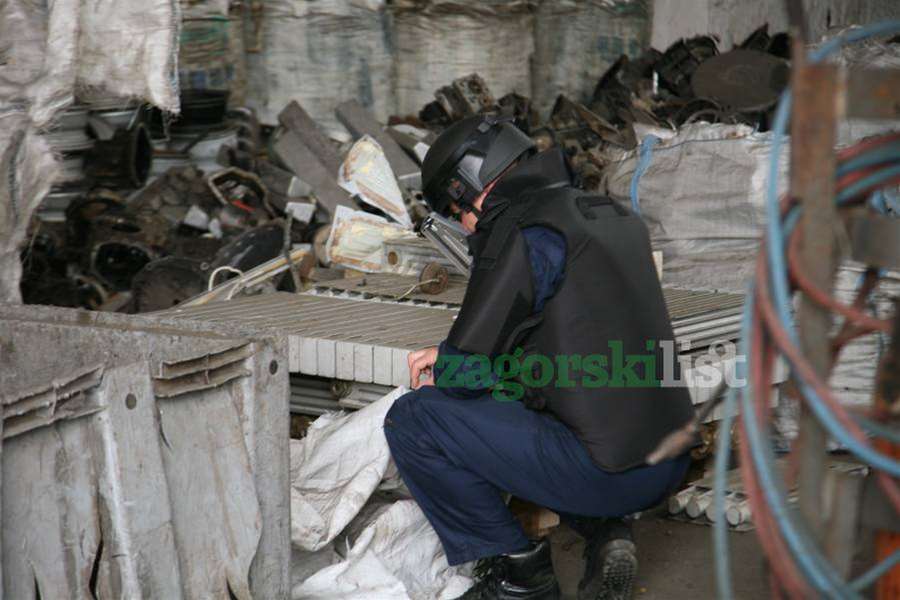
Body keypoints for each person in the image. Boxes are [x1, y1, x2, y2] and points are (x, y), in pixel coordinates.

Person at [383, 115, 695, 600]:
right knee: (533, 400)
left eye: (455, 211)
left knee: (416, 419)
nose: (466, 226)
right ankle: (604, 532)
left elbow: (466, 371)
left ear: (469, 190)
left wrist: (442, 364)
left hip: (612, 474)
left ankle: (520, 578)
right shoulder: (605, 214)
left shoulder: (521, 230)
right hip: (671, 457)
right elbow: (569, 334)